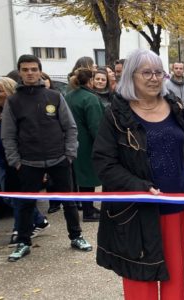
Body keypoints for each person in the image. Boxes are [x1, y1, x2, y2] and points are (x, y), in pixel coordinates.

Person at [92, 49, 184, 300]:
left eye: (158, 72)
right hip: (135, 210)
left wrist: (182, 181)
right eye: (146, 72)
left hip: (175, 207)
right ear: (131, 76)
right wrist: (139, 186)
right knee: (140, 278)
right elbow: (104, 163)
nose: (154, 78)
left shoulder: (176, 107)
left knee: (174, 277)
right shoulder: (116, 114)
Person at [3, 54, 92, 262]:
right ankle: (24, 241)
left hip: (59, 159)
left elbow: (70, 127)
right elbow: (8, 134)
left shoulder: (54, 96)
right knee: (26, 204)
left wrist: (70, 153)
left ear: (40, 71)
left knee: (69, 201)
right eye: (25, 70)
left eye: (34, 69)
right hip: (27, 162)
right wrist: (15, 160)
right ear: (20, 72)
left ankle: (76, 236)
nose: (30, 73)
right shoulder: (13, 101)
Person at [0, 77, 49, 242]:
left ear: (9, 91)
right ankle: (37, 221)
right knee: (9, 197)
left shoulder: (16, 112)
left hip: (18, 162)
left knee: (16, 196)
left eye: (0, 90)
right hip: (0, 162)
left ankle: (21, 228)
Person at [66, 67, 104, 222]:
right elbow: (95, 125)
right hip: (87, 144)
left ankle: (87, 206)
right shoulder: (90, 99)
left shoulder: (69, 96)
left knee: (78, 176)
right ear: (90, 81)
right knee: (88, 177)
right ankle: (88, 211)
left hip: (72, 142)